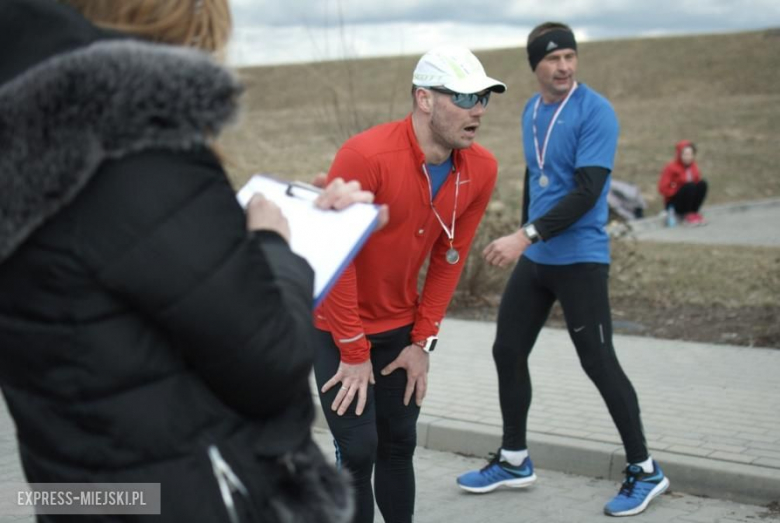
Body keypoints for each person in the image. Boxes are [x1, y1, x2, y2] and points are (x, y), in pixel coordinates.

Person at [0, 0, 382, 521]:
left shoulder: (28, 143)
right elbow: (273, 361)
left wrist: (234, 229)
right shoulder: (133, 149)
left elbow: (119, 304)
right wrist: (275, 246)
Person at [455, 22, 670, 517]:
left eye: (570, 56)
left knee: (598, 362)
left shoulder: (595, 111)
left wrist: (523, 235)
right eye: (553, 59)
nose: (564, 66)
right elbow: (538, 175)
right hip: (539, 258)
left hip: (580, 258)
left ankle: (645, 469)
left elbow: (587, 190)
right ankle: (514, 460)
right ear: (536, 66)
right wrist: (529, 235)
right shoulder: (532, 110)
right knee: (507, 350)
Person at [312, 46, 506, 523]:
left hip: (401, 328)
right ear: (424, 99)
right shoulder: (366, 155)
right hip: (337, 328)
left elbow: (449, 259)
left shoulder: (480, 168)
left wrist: (423, 341)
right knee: (358, 451)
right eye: (463, 97)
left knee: (399, 447)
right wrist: (353, 351)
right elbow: (337, 259)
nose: (477, 109)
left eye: (483, 97)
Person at [658, 140, 708, 226]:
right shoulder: (671, 167)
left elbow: (696, 180)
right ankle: (686, 215)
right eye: (685, 154)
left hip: (689, 195)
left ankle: (693, 212)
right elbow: (663, 188)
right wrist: (676, 187)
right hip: (674, 201)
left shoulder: (693, 166)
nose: (688, 157)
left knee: (702, 184)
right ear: (679, 155)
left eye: (690, 154)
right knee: (690, 186)